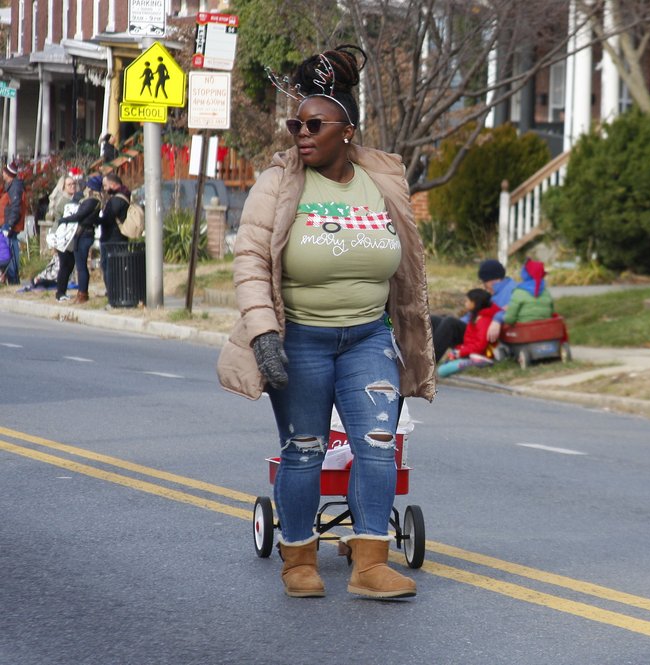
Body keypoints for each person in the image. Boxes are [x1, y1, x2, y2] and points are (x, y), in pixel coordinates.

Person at [216, 45, 435, 600]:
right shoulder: (279, 183)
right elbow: (250, 260)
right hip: (302, 340)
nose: (301, 133)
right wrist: (265, 334)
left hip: (368, 337)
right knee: (305, 448)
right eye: (296, 123)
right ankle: (298, 561)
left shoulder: (380, 181)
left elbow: (409, 264)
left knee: (379, 444)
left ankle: (369, 564)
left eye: (315, 123)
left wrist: (411, 331)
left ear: (347, 129)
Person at [430, 258, 516, 361]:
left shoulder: (513, 290)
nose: (483, 285)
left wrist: (497, 319)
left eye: (484, 281)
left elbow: (513, 309)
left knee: (449, 323)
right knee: (432, 320)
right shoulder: (494, 291)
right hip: (473, 327)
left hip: (481, 334)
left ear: (492, 279)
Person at [54, 175, 102, 304]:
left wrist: (65, 220)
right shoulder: (90, 199)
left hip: (84, 234)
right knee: (78, 265)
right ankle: (80, 293)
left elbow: (80, 215)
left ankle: (82, 294)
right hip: (81, 234)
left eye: (87, 186)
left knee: (81, 266)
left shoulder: (92, 200)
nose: (85, 188)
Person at [437, 288, 500, 378]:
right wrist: (458, 350)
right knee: (445, 366)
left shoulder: (484, 321)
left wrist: (461, 352)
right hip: (470, 352)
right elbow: (470, 341)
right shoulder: (475, 317)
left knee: (442, 371)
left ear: (475, 303)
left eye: (467, 301)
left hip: (479, 355)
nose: (465, 303)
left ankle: (479, 362)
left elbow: (480, 345)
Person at [99, 173, 130, 295]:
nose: (105, 189)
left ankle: (113, 292)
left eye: (105, 185)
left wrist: (94, 220)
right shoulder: (123, 196)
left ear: (113, 184)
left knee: (110, 266)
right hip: (116, 237)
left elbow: (108, 218)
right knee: (113, 266)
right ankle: (114, 290)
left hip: (113, 238)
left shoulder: (117, 200)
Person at [503, 258, 555, 325]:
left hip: (523, 333)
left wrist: (507, 312)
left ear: (525, 274)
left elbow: (509, 320)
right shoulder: (546, 293)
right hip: (545, 333)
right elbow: (551, 314)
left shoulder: (518, 293)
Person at [1, 162, 25, 284]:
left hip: (10, 226)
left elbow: (16, 207)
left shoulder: (15, 187)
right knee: (6, 252)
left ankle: (13, 280)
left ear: (8, 174)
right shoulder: (10, 186)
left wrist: (9, 225)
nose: (2, 173)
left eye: (4, 172)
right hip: (7, 223)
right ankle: (11, 278)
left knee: (10, 253)